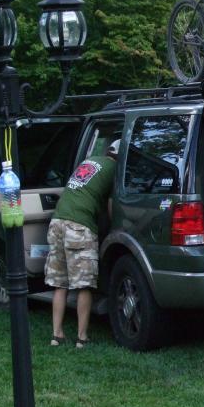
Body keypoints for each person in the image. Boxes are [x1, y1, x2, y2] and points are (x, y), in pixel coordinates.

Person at [44, 139, 118, 348]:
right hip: (79, 226)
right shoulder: (115, 169)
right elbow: (111, 207)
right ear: (120, 157)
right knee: (84, 285)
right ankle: (82, 337)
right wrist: (113, 227)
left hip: (57, 223)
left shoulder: (90, 161)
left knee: (60, 283)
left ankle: (56, 335)